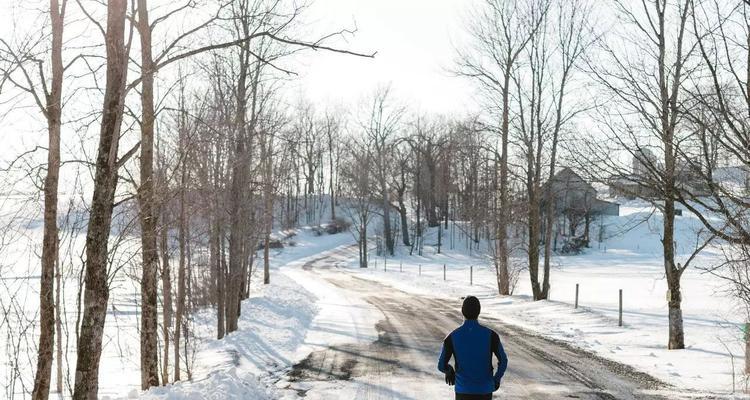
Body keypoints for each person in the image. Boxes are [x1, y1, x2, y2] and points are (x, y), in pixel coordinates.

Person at [437, 296, 508, 400]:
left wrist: (449, 370)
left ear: (462, 311)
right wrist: (496, 380)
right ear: (479, 311)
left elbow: (441, 365)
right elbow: (503, 360)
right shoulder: (491, 335)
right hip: (485, 391)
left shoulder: (452, 337)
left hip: (463, 391)